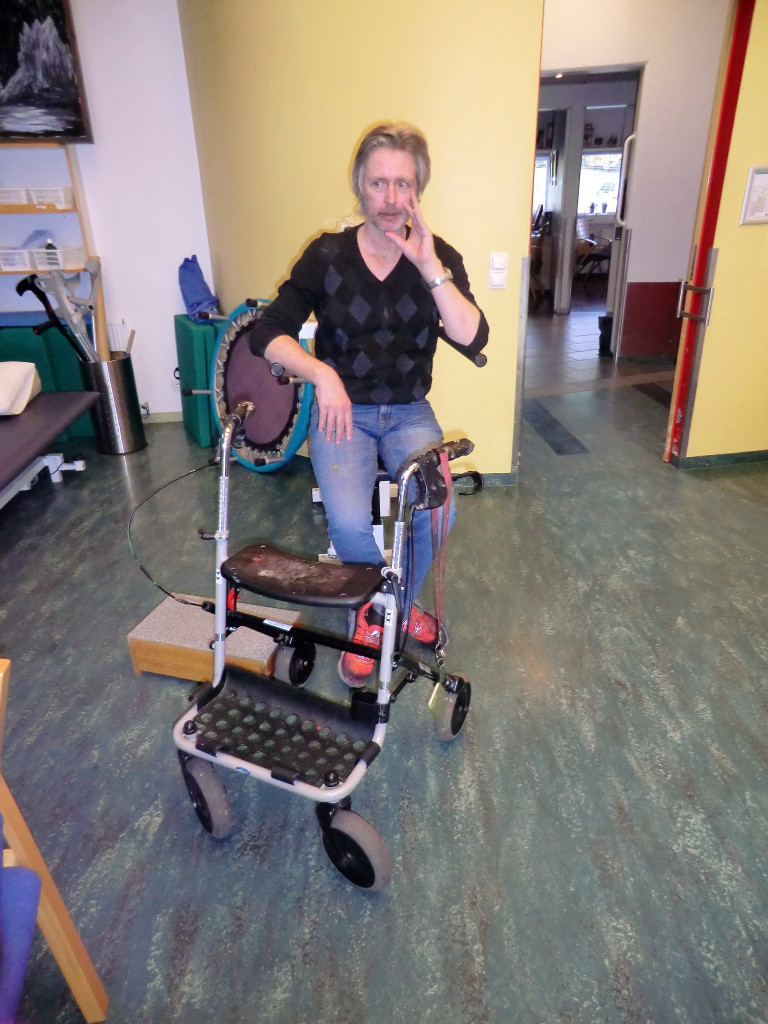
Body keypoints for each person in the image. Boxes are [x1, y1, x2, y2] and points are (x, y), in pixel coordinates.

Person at [248, 122, 488, 686]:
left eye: (403, 184)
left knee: (439, 511)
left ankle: (380, 612)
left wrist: (429, 268)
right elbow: (268, 331)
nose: (391, 198)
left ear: (418, 191)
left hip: (409, 411)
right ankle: (385, 611)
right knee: (351, 523)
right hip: (343, 412)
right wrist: (320, 373)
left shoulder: (439, 256)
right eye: (379, 183)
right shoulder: (327, 255)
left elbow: (473, 336)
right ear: (360, 185)